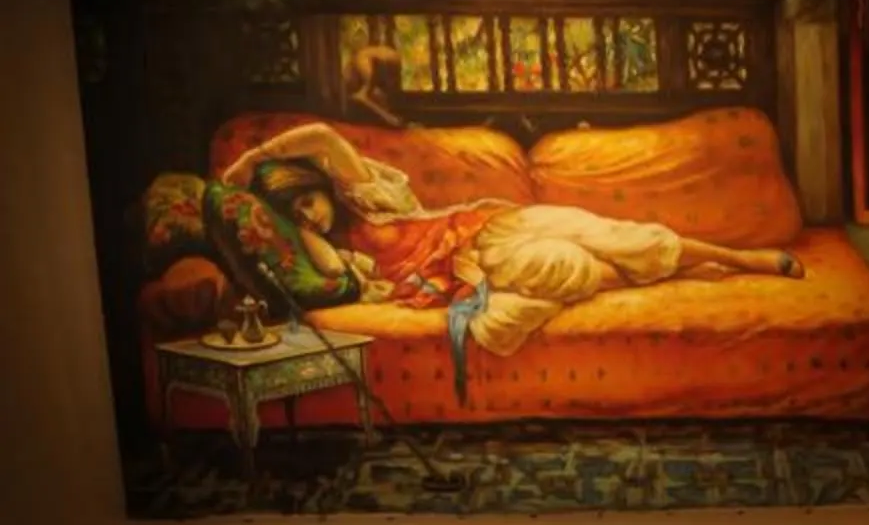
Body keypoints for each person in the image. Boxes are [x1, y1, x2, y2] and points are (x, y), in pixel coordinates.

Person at [219, 120, 805, 371]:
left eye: (309, 201)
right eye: (299, 216)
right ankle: (675, 271)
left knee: (618, 236)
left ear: (322, 186)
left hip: (492, 224)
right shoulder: (331, 251)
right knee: (569, 267)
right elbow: (328, 272)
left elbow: (322, 137)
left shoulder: (367, 196)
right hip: (482, 267)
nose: (312, 216)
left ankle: (739, 259)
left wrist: (252, 160)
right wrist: (297, 227)